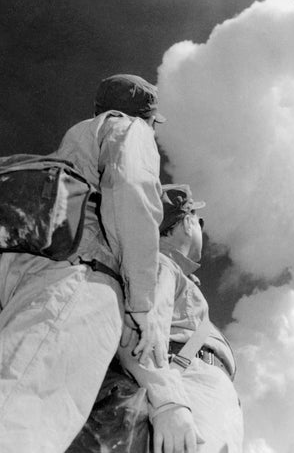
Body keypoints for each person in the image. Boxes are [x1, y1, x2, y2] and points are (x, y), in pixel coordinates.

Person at [0, 74, 168, 452]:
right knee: (24, 415)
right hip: (81, 275)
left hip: (30, 267)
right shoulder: (128, 128)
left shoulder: (78, 136)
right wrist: (142, 304)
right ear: (145, 116)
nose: (155, 130)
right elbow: (133, 192)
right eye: (155, 122)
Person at [118, 184, 243, 453]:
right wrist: (168, 403)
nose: (200, 226)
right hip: (188, 385)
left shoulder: (171, 272)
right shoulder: (161, 265)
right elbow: (142, 337)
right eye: (198, 220)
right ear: (187, 223)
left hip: (199, 389)